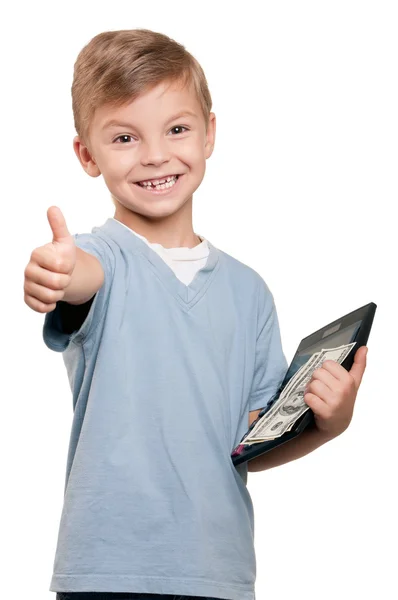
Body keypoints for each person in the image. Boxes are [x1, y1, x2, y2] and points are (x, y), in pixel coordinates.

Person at [23, 28, 368, 600]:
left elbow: (253, 445)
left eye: (177, 129)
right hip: (108, 572)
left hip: (218, 572)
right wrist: (55, 272)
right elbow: (81, 277)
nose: (156, 154)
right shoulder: (101, 258)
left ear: (210, 133)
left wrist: (331, 423)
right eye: (125, 137)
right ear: (87, 155)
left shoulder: (249, 291)